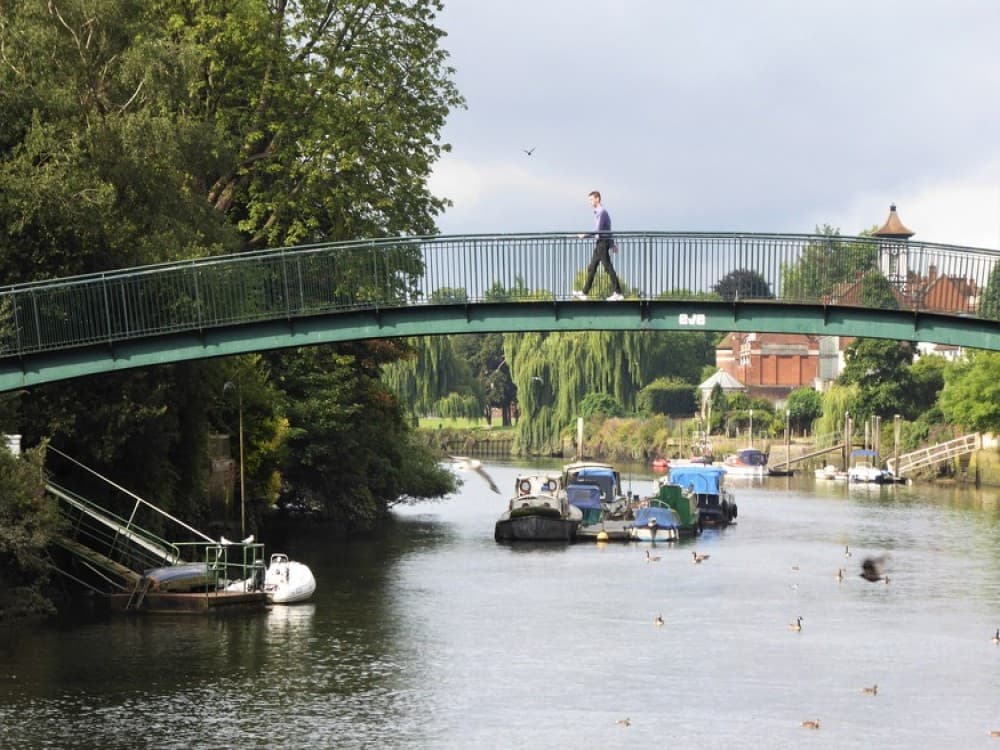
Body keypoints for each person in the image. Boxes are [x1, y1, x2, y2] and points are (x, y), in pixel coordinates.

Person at [574, 190, 624, 301]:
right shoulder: (599, 212)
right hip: (600, 243)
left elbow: (598, 230)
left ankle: (618, 292)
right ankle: (584, 292)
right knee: (592, 267)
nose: (590, 202)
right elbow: (607, 229)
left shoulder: (602, 212)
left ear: (597, 199)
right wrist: (612, 244)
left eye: (591, 199)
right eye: (589, 200)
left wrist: (584, 235)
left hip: (602, 243)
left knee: (608, 267)